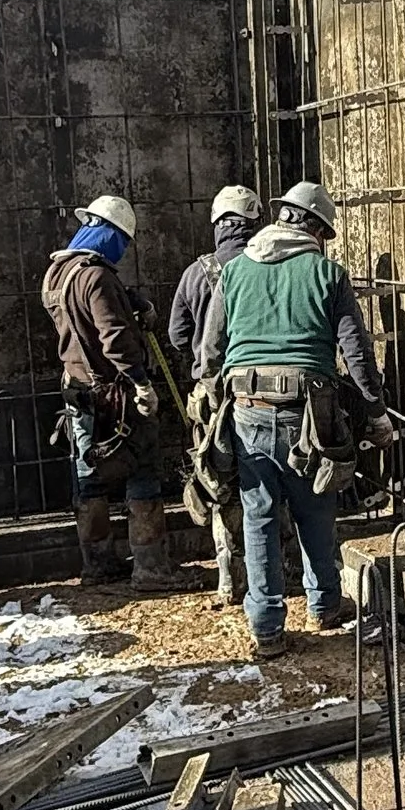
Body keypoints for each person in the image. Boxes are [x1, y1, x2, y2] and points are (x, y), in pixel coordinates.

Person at [199, 178, 396, 656]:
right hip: (310, 411)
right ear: (315, 228)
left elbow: (209, 350)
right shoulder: (327, 274)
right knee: (316, 504)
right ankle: (324, 604)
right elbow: (357, 354)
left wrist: (210, 396)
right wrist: (377, 415)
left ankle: (266, 628)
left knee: (259, 515)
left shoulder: (236, 270)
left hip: (245, 410)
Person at [40, 191, 171, 587]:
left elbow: (84, 306)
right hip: (114, 393)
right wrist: (141, 384)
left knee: (88, 475)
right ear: (111, 234)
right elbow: (113, 336)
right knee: (142, 471)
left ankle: (97, 564)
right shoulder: (96, 276)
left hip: (77, 390)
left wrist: (129, 298)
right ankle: (150, 568)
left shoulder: (58, 274)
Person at [168, 182, 262, 607]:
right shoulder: (265, 266)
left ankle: (229, 578)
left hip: (210, 396)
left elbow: (176, 334)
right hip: (259, 391)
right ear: (254, 222)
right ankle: (273, 573)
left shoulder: (196, 273)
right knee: (264, 480)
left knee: (218, 482)